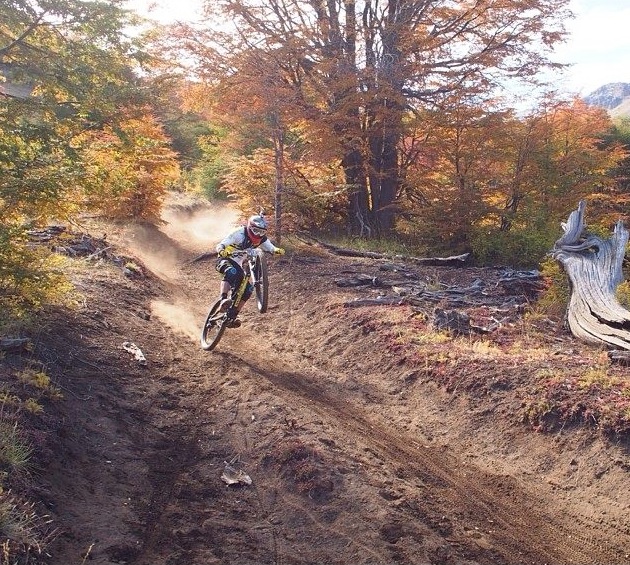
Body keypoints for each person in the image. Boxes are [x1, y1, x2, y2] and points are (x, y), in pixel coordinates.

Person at [215, 214, 285, 328]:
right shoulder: (238, 233)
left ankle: (232, 316)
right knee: (231, 272)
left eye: (261, 232)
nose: (258, 234)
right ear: (249, 227)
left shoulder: (261, 239)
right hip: (224, 259)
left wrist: (277, 250)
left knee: (248, 289)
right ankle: (223, 299)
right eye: (256, 231)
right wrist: (222, 250)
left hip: (238, 265)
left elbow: (271, 248)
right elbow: (221, 244)